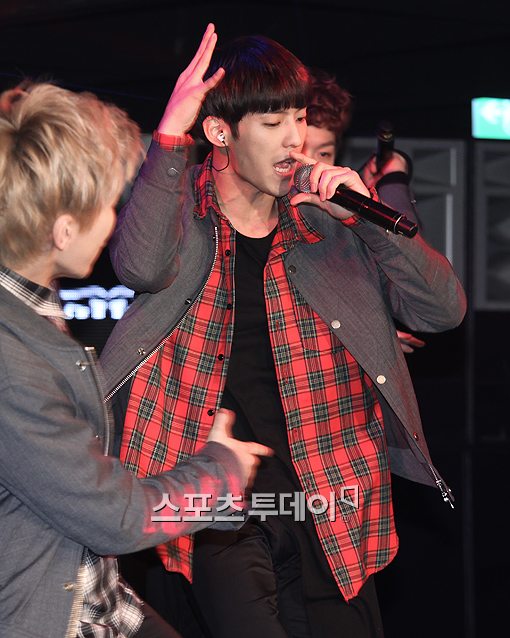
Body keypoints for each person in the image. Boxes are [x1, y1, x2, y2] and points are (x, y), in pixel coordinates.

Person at [100, 24, 466, 638]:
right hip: (219, 498)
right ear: (221, 132)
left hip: (329, 496)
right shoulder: (180, 214)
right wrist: (169, 136)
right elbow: (138, 265)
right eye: (273, 123)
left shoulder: (328, 228)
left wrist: (366, 218)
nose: (295, 139)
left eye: (298, 119)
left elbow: (442, 310)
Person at [0, 80, 271, 638]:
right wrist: (219, 471)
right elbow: (116, 518)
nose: (113, 219)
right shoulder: (12, 363)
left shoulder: (29, 317)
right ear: (63, 230)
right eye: (106, 204)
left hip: (93, 599)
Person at [303, 67, 426, 354]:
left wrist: (391, 184)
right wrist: (359, 336)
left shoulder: (339, 222)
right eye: (300, 148)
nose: (311, 164)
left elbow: (422, 286)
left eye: (323, 153)